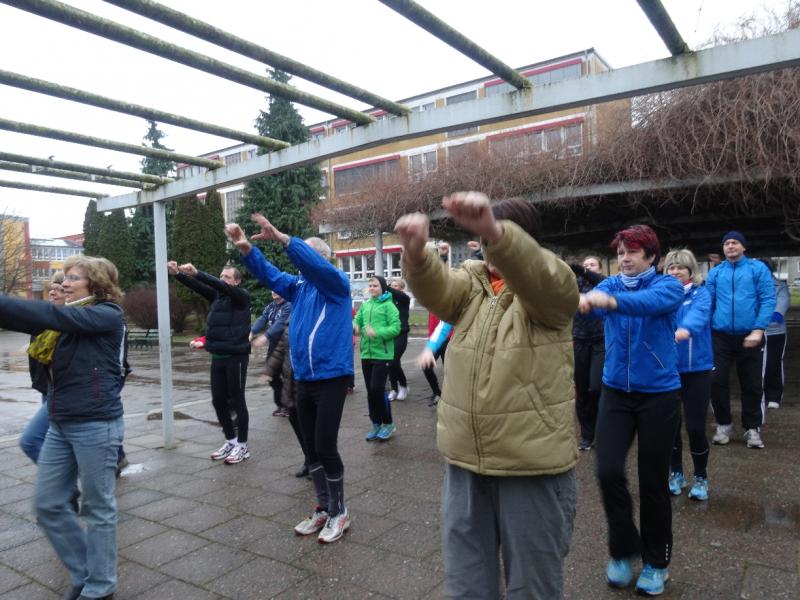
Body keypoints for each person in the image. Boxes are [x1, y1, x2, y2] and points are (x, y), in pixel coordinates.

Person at [397, 192, 578, 599]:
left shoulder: (551, 286)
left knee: (534, 587)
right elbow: (439, 289)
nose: (486, 246)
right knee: (467, 585)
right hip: (465, 460)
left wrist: (497, 233)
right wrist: (417, 254)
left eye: (494, 236)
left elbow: (546, 282)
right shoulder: (474, 283)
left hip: (529, 464)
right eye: (482, 238)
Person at [0, 255, 127, 600]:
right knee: (48, 504)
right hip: (60, 421)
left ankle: (100, 586)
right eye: (64, 277)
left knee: (98, 509)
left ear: (96, 284)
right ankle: (85, 572)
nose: (64, 284)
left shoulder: (107, 314)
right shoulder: (69, 319)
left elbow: (51, 315)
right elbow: (37, 318)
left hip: (96, 424)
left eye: (73, 278)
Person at [226, 214, 354, 544]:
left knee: (325, 445)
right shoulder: (299, 288)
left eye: (306, 255)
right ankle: (323, 507)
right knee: (310, 447)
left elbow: (312, 265)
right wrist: (246, 249)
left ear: (319, 259)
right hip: (303, 377)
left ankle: (340, 511)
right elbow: (271, 274)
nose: (300, 263)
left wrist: (284, 239)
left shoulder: (337, 284)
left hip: (332, 376)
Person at [579, 224, 683, 596]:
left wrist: (611, 303)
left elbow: (649, 304)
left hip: (659, 394)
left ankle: (657, 562)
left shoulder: (668, 286)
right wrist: (582, 304)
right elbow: (588, 310)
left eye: (632, 252)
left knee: (653, 482)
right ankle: (623, 550)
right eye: (620, 252)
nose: (624, 258)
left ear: (651, 256)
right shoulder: (610, 285)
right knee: (607, 471)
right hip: (616, 393)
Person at [169, 261, 252, 464]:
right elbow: (199, 287)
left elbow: (215, 284)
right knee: (218, 400)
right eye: (221, 276)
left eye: (227, 277)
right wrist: (178, 274)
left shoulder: (242, 296)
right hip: (218, 355)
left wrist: (198, 272)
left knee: (237, 400)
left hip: (236, 356)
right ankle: (230, 440)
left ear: (237, 281)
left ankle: (243, 446)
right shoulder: (218, 297)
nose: (223, 280)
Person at [706, 232, 776, 449]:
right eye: (726, 243)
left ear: (744, 247)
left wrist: (759, 329)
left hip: (750, 335)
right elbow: (708, 303)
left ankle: (752, 428)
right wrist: (704, 329)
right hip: (721, 336)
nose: (730, 246)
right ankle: (724, 424)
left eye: (735, 242)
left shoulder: (758, 269)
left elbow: (768, 299)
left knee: (752, 383)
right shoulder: (716, 273)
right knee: (716, 381)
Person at [664, 249, 713, 501]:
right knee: (671, 427)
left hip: (697, 371)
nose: (675, 272)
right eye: (671, 267)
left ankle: (701, 476)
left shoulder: (700, 293)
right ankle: (676, 473)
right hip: (668, 371)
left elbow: (699, 316)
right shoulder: (661, 295)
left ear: (690, 270)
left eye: (680, 267)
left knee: (695, 427)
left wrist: (684, 330)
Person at [19, 271, 66, 464]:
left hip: (60, 390)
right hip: (45, 386)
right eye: (51, 289)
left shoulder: (69, 321)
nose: (53, 293)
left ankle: (61, 478)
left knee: (31, 441)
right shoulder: (47, 317)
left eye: (59, 289)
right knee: (55, 434)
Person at [353, 275, 401, 440]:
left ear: (383, 287)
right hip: (366, 353)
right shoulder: (366, 304)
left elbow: (396, 328)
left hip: (383, 354)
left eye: (375, 285)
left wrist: (377, 333)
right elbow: (357, 320)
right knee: (370, 392)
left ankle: (388, 424)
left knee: (377, 389)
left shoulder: (389, 306)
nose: (372, 288)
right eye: (370, 286)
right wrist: (355, 326)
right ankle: (376, 424)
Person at [263, 320, 310, 478]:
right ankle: (309, 459)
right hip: (290, 384)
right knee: (296, 422)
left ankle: (318, 462)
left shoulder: (312, 318)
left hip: (308, 384)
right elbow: (280, 350)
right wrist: (269, 370)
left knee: (310, 427)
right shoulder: (291, 323)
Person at [570, 256, 606, 451]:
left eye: (592, 264)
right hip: (580, 340)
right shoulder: (574, 285)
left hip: (600, 340)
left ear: (599, 268)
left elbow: (598, 282)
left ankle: (601, 432)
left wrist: (583, 270)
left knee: (596, 387)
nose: (587, 267)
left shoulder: (604, 283)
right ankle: (586, 434)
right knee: (582, 390)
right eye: (585, 265)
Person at [251, 291, 292, 416]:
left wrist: (265, 337)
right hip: (274, 345)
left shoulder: (289, 305)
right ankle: (281, 404)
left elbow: (281, 323)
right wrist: (252, 332)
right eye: (272, 289)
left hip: (287, 345)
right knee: (271, 375)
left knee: (288, 376)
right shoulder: (271, 306)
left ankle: (288, 406)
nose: (274, 291)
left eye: (277, 289)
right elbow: (262, 319)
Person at [761, 259, 789, 410]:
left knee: (773, 363)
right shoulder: (750, 286)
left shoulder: (780, 286)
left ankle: (774, 396)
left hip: (775, 333)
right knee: (756, 364)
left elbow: (778, 314)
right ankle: (759, 393)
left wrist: (757, 318)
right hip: (756, 332)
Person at [416, 316, 452, 407]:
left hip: (450, 340)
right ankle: (436, 392)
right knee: (426, 366)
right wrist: (430, 346)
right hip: (436, 338)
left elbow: (447, 322)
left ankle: (449, 396)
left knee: (449, 370)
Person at [386, 278, 410, 401]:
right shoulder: (388, 300)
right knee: (390, 363)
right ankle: (394, 389)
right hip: (390, 334)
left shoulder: (404, 298)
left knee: (394, 360)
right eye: (392, 285)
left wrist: (386, 286)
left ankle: (404, 386)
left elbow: (397, 294)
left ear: (401, 288)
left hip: (401, 334)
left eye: (395, 286)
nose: (393, 288)